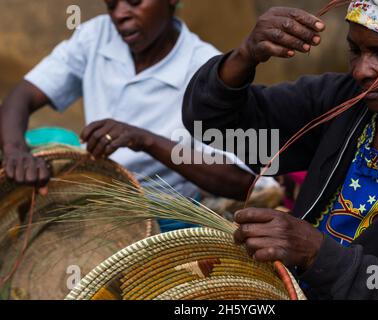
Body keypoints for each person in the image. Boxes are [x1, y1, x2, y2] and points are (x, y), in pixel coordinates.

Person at [183, 0, 378, 299]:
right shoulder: (343, 102)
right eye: (355, 51)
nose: (362, 71)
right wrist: (246, 55)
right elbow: (215, 126)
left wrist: (318, 255)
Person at [0, 0, 255, 231]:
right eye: (111, 5)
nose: (120, 14)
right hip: (97, 201)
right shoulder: (96, 36)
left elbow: (240, 181)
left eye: (134, 2)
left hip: (163, 215)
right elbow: (22, 95)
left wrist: (144, 140)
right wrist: (14, 150)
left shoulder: (204, 68)